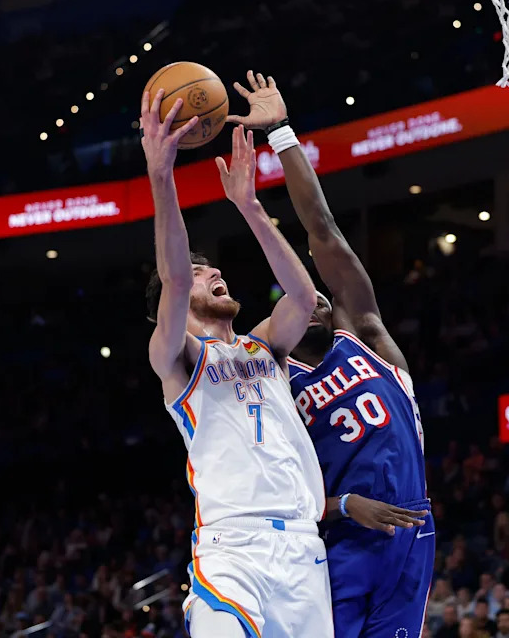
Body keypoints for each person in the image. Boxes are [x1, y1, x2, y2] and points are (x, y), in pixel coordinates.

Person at [226, 70, 434, 638]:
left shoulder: (366, 335)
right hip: (332, 545)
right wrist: (345, 506)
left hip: (410, 538)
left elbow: (323, 229)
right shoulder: (272, 382)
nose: (315, 299)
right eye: (301, 298)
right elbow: (277, 496)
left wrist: (283, 135)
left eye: (320, 294)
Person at [142, 93, 330, 637]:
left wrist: (249, 206)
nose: (212, 270)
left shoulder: (263, 346)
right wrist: (162, 175)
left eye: (210, 268)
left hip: (302, 549)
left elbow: (303, 297)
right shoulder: (178, 359)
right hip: (233, 548)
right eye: (203, 273)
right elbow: (175, 276)